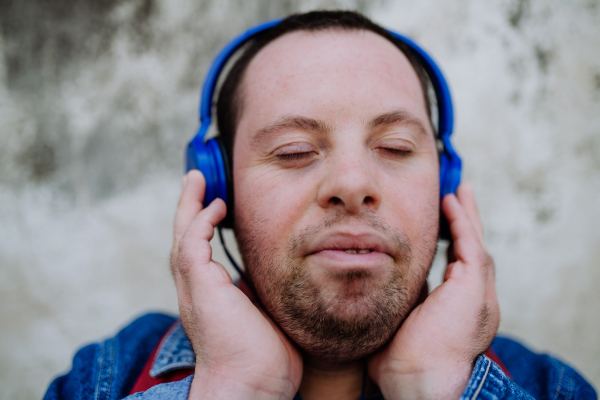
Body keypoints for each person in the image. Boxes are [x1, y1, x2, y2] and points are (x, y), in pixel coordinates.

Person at [44, 10, 597, 400]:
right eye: (294, 151)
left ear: (445, 184)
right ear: (219, 188)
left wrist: (441, 390)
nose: (353, 183)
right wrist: (234, 391)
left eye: (395, 147)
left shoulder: (554, 389)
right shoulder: (104, 379)